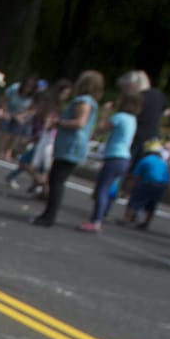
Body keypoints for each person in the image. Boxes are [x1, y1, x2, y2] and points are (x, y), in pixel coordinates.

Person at [33, 69, 101, 227]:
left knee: (56, 180)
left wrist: (58, 122)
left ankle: (49, 216)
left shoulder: (83, 100)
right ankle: (48, 213)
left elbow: (79, 122)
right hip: (75, 145)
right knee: (56, 179)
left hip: (71, 145)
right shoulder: (91, 102)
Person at [80, 86, 138, 232]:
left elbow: (100, 129)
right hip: (125, 158)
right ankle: (101, 215)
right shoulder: (132, 119)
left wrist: (104, 112)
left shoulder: (119, 117)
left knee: (102, 189)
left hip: (114, 157)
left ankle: (96, 220)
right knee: (109, 188)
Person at [124, 143, 170, 227]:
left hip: (149, 182)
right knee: (152, 204)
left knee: (135, 200)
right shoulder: (162, 161)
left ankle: (127, 219)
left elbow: (135, 177)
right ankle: (146, 223)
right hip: (162, 184)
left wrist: (128, 191)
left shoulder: (145, 160)